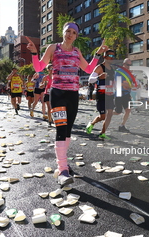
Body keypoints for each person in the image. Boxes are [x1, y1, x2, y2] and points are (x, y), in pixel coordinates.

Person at [26, 21, 107, 187]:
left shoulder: (77, 51)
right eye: (68, 31)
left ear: (76, 36)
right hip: (57, 94)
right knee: (61, 128)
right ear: (63, 32)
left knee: (68, 130)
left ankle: (63, 163)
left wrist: (98, 53)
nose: (70, 34)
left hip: (73, 94)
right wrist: (34, 53)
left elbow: (88, 68)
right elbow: (40, 67)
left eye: (73, 32)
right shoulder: (53, 48)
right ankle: (62, 170)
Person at [86, 49, 115, 140]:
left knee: (109, 114)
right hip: (101, 95)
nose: (111, 58)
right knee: (103, 116)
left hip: (110, 95)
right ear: (104, 57)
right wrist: (99, 77)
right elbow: (90, 80)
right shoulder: (99, 67)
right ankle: (92, 124)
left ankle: (102, 133)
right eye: (109, 56)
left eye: (113, 56)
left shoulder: (112, 69)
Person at [113, 58, 133, 133]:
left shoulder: (129, 73)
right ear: (123, 64)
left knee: (128, 110)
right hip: (119, 92)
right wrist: (126, 84)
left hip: (126, 93)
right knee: (118, 112)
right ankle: (106, 114)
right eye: (128, 65)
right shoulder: (119, 71)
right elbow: (117, 82)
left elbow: (130, 83)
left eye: (130, 65)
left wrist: (131, 86)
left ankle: (122, 126)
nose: (129, 66)